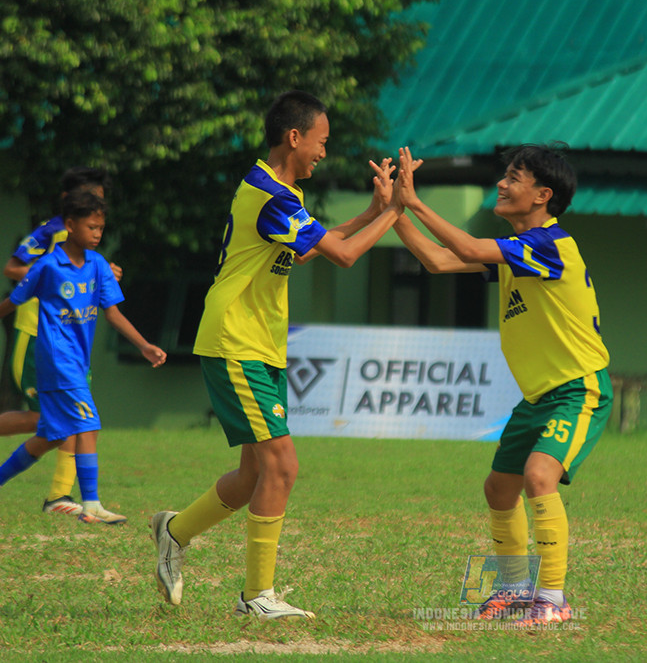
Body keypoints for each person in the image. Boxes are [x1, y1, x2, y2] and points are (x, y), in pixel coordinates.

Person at [151, 90, 404, 620]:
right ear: (295, 137)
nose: (324, 152)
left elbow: (310, 251)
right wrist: (399, 210)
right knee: (283, 467)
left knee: (253, 475)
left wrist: (372, 211)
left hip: (261, 346)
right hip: (235, 341)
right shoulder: (272, 195)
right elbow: (344, 257)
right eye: (321, 141)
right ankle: (256, 597)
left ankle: (174, 531)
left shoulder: (279, 191)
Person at [390, 144, 613, 627]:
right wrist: (394, 210)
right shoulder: (520, 251)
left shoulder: (549, 244)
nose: (501, 184)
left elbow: (470, 249)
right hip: (538, 397)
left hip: (578, 389)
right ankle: (513, 589)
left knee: (538, 477)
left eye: (514, 177)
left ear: (543, 195)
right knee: (498, 488)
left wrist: (415, 202)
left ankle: (551, 600)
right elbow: (439, 261)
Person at [0, 190, 166, 524]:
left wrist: (143, 345)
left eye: (101, 228)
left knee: (52, 435)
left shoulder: (98, 264)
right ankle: (91, 505)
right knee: (88, 423)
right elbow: (11, 303)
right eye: (91, 227)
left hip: (78, 361)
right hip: (55, 360)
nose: (97, 233)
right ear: (70, 225)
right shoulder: (47, 266)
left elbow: (112, 313)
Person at [1, 167, 124, 517]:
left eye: (100, 200)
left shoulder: (89, 243)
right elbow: (13, 269)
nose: (97, 206)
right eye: (90, 198)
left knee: (62, 423)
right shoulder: (51, 231)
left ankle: (60, 496)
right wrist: (52, 276)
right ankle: (71, 498)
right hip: (38, 335)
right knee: (49, 420)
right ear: (69, 202)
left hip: (71, 342)